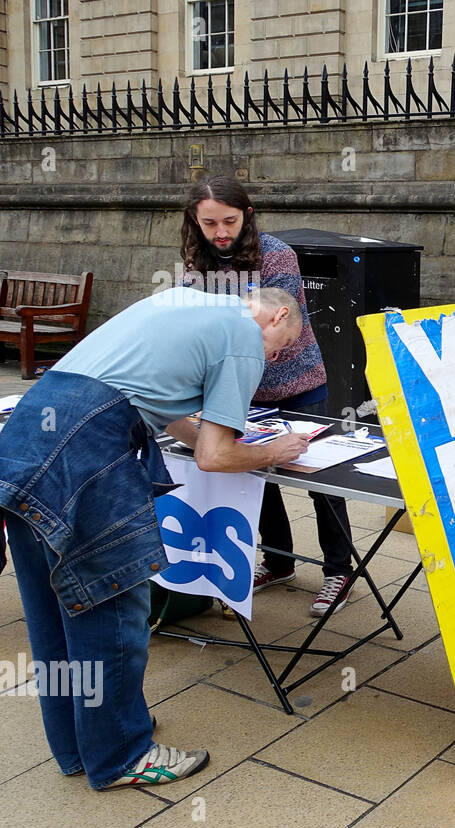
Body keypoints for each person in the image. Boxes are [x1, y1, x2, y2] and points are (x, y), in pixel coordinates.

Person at [0, 286, 310, 790]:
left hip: (28, 434)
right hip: (88, 449)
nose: (270, 359)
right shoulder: (243, 338)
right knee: (113, 601)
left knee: (53, 605)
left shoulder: (183, 301)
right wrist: (274, 450)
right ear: (276, 315)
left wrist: (224, 439)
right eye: (278, 348)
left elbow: (159, 404)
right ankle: (123, 754)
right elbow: (215, 457)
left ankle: (82, 745)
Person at [180, 175, 357, 617]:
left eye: (229, 221)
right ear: (195, 222)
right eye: (209, 224)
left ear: (248, 215)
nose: (220, 232)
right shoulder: (195, 260)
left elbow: (261, 322)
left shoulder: (276, 254)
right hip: (238, 388)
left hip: (297, 382)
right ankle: (279, 562)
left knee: (320, 479)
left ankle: (340, 569)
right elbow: (190, 317)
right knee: (255, 471)